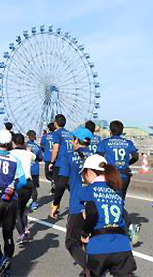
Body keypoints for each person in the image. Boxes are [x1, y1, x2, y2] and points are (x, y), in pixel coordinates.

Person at [80, 154, 137, 277]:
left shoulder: (88, 190)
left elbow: (92, 212)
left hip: (99, 246)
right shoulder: (115, 191)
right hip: (122, 246)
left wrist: (85, 234)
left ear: (89, 172)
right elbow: (124, 215)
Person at [0, 130, 26, 277]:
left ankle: (1, 259)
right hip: (11, 201)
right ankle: (7, 268)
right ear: (9, 143)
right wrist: (10, 187)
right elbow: (22, 181)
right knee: (8, 235)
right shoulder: (15, 159)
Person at [97, 120, 140, 244]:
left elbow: (98, 158)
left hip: (112, 175)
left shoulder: (105, 142)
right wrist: (126, 164)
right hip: (125, 175)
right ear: (122, 131)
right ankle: (119, 226)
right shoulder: (127, 143)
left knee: (109, 201)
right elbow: (135, 157)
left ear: (110, 130)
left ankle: (129, 226)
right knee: (119, 201)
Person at [65, 127, 93, 275]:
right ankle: (88, 270)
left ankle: (89, 269)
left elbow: (63, 180)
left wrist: (55, 203)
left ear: (76, 140)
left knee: (71, 241)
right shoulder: (96, 157)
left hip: (77, 204)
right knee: (88, 238)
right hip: (94, 203)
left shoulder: (69, 156)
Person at [10, 133, 36, 244]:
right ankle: (25, 229)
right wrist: (28, 149)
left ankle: (22, 233)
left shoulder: (10, 153)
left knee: (16, 211)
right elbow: (36, 157)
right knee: (23, 209)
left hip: (17, 184)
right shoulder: (28, 154)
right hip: (29, 184)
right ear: (23, 142)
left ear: (13, 143)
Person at [49, 114, 74, 218]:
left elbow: (56, 148)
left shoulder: (57, 133)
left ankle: (55, 208)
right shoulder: (70, 134)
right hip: (70, 161)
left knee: (58, 186)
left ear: (56, 123)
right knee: (70, 186)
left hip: (60, 163)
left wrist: (51, 162)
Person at [26, 130, 43, 210]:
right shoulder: (37, 146)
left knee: (25, 187)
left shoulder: (25, 146)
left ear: (28, 136)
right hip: (35, 169)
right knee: (34, 187)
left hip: (27, 169)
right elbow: (40, 158)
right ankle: (34, 203)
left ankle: (26, 202)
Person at [40, 122, 56, 192]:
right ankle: (54, 186)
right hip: (56, 157)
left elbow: (42, 146)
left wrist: (46, 151)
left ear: (49, 128)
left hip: (48, 157)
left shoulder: (45, 136)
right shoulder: (58, 136)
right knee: (55, 173)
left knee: (48, 175)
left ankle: (53, 182)